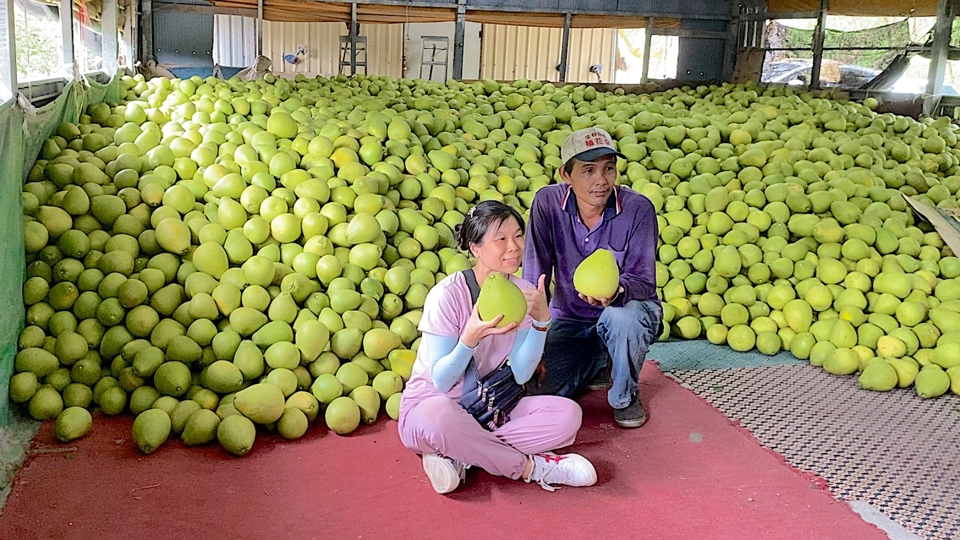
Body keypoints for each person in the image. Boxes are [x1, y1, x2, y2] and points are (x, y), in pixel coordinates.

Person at [398, 200, 597, 494]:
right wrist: (468, 340)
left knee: (567, 416)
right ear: (475, 248)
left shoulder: (525, 293)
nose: (513, 247)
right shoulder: (447, 295)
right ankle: (533, 468)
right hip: (431, 407)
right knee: (439, 417)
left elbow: (519, 373)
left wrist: (542, 323)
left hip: (487, 408)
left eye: (518, 236)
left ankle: (460, 454)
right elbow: (441, 381)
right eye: (500, 239)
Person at [523, 127, 662, 429]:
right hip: (570, 317)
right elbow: (536, 271)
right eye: (588, 170)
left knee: (622, 319)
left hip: (628, 310)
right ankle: (599, 357)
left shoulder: (638, 209)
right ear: (565, 174)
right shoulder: (547, 204)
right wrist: (529, 334)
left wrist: (616, 291)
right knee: (541, 390)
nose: (601, 180)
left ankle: (625, 394)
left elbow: (644, 280)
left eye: (608, 168)